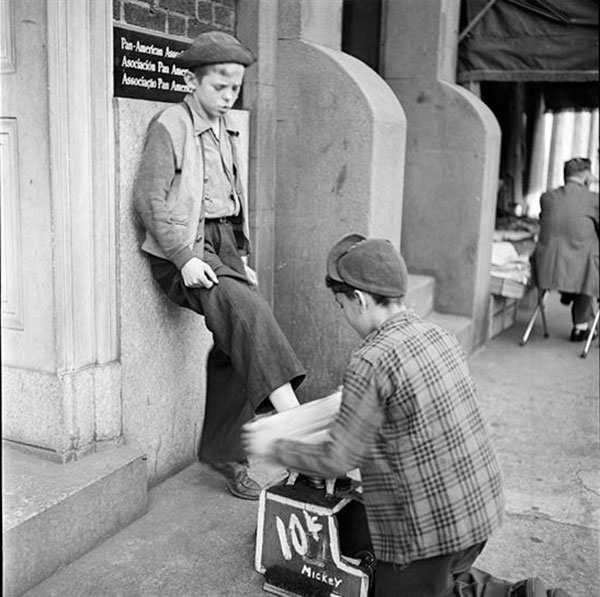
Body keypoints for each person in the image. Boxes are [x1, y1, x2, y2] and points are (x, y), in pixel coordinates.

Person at [245, 233, 506, 596]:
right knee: (444, 585)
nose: (344, 316)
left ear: (360, 299)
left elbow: (336, 460)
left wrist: (272, 445)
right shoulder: (438, 335)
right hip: (480, 513)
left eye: (341, 306)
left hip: (428, 536)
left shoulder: (371, 358)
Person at [133, 31, 305, 500]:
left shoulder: (228, 126)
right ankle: (301, 433)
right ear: (193, 80)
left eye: (236, 89)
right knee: (248, 316)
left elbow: (230, 199)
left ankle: (224, 452)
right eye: (220, 88)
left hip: (225, 246)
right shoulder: (170, 124)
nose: (229, 98)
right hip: (186, 249)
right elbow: (149, 199)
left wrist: (241, 259)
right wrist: (184, 258)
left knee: (236, 341)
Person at [533, 157, 599, 342]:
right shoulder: (593, 200)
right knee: (589, 259)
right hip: (580, 272)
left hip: (546, 270)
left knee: (576, 249)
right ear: (586, 175)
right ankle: (581, 326)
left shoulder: (546, 198)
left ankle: (569, 294)